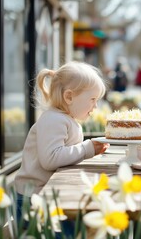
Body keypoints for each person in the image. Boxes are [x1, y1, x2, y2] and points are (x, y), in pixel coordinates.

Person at [14, 61, 110, 222]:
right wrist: (86, 149)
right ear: (69, 96)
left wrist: (89, 150)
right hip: (33, 198)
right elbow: (51, 159)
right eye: (92, 99)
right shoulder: (54, 120)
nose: (96, 106)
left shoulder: (64, 120)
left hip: (46, 194)